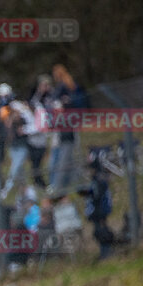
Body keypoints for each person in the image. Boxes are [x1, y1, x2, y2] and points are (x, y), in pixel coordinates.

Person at [48, 65, 87, 194]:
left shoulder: (65, 86)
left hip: (67, 135)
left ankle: (58, 186)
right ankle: (77, 179)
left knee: (64, 159)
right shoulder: (67, 86)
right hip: (66, 132)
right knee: (69, 158)